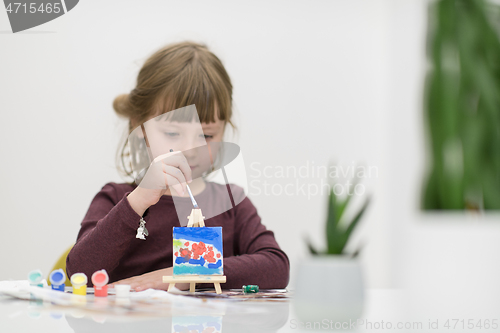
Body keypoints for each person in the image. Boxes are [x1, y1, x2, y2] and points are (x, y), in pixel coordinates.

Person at [65, 41, 290, 292]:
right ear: (140, 127)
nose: (189, 150)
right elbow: (80, 274)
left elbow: (277, 267)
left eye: (206, 136)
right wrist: (137, 202)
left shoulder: (232, 202)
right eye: (172, 133)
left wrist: (183, 274)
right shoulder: (117, 198)